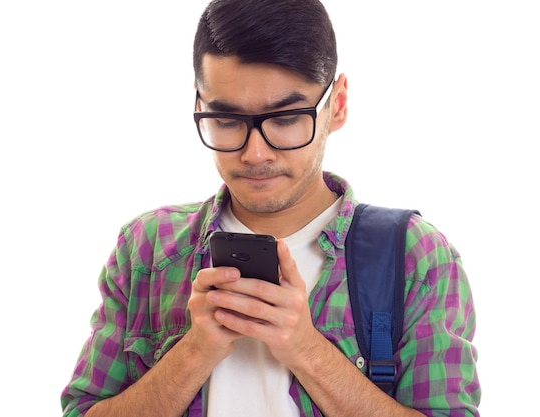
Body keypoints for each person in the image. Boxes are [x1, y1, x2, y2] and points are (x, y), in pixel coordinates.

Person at [60, 0, 480, 416]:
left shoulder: (413, 257)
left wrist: (306, 349)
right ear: (201, 107)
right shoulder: (146, 250)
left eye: (285, 118)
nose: (254, 153)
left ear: (337, 105)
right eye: (226, 121)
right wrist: (194, 352)